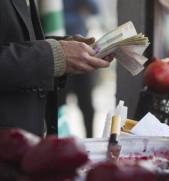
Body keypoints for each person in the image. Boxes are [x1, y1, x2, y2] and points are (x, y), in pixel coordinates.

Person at [0, 0, 114, 137]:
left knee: (87, 105)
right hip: (8, 138)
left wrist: (61, 45)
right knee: (64, 106)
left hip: (24, 136)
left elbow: (22, 38)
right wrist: (55, 53)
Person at [58, 0, 101, 138]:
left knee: (87, 105)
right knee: (59, 105)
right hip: (60, 54)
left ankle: (90, 138)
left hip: (82, 53)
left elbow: (95, 9)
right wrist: (77, 16)